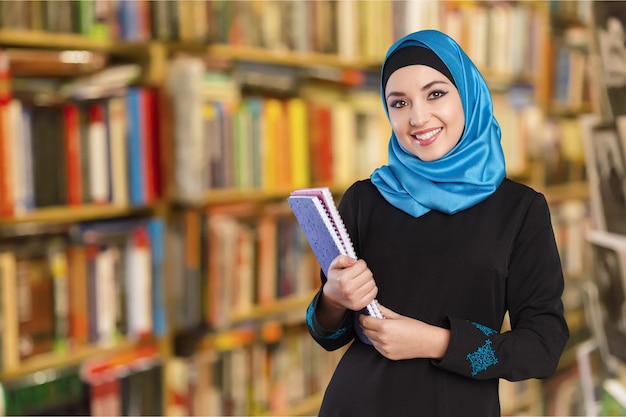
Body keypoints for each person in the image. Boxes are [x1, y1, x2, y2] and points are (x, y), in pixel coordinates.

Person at [305, 29, 569, 416]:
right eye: (399, 102)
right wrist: (332, 298)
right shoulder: (364, 198)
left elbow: (543, 348)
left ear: (468, 94)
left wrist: (437, 342)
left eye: (435, 94)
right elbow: (328, 333)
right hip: (356, 403)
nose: (417, 117)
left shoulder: (520, 209)